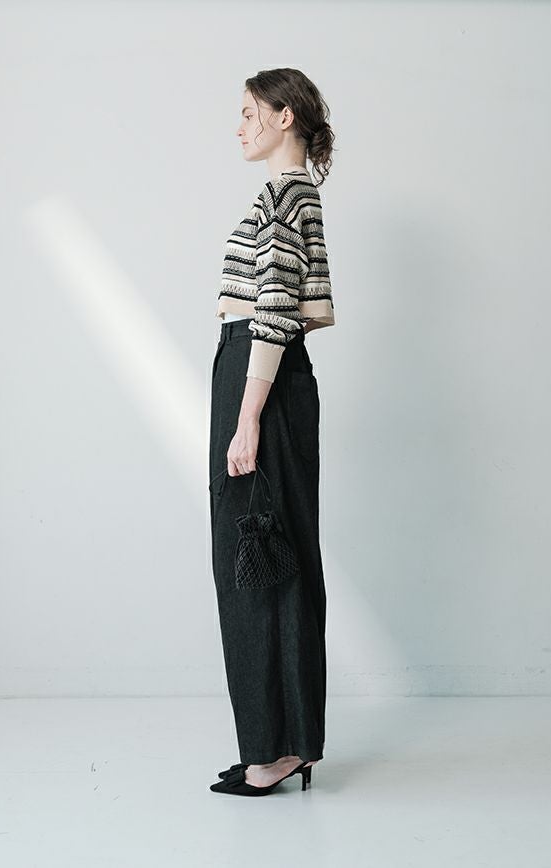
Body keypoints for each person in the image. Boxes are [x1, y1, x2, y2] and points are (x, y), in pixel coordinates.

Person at [208, 67, 336, 796]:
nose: (240, 126)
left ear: (285, 116)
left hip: (263, 377)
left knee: (260, 558)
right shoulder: (285, 195)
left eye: (249, 112)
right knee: (265, 556)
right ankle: (280, 740)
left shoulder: (289, 197)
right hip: (260, 374)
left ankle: (278, 749)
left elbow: (277, 310)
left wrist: (248, 417)